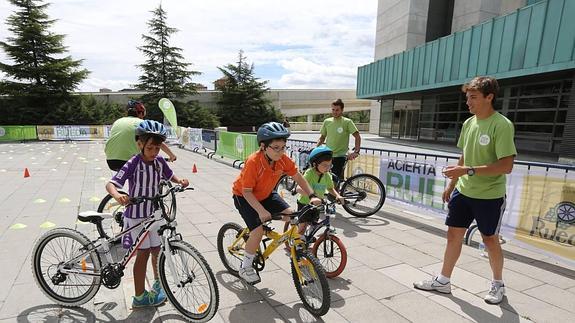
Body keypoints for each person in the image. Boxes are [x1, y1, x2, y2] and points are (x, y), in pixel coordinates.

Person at [413, 76, 516, 305]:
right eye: (467, 97)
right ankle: (443, 281)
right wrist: (452, 184)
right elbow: (464, 155)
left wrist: (466, 171)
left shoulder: (502, 125)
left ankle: (498, 284)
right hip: (463, 191)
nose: (468, 102)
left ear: (489, 97)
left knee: (490, 240)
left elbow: (506, 166)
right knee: (453, 235)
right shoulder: (469, 123)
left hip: (489, 195)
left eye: (473, 97)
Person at [106, 120, 190, 307]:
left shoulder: (159, 162)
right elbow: (111, 184)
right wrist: (117, 195)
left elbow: (170, 175)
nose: (154, 152)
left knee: (157, 252)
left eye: (157, 148)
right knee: (142, 255)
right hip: (136, 216)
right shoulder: (133, 163)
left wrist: (180, 181)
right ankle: (139, 297)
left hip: (155, 215)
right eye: (150, 148)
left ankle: (158, 284)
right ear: (139, 144)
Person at [232, 121, 321, 285]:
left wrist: (312, 195)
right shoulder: (253, 162)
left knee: (292, 216)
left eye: (283, 147)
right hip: (245, 196)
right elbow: (246, 191)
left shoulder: (283, 160)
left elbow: (299, 177)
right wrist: (261, 211)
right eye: (276, 147)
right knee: (257, 232)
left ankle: (299, 250)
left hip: (266, 194)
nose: (281, 151)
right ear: (263, 146)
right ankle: (245, 267)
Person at [105, 99, 176, 171]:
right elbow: (157, 141)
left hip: (111, 161)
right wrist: (171, 155)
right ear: (141, 113)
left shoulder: (118, 121)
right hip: (130, 161)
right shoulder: (142, 123)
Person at [296, 145, 345, 234]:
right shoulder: (309, 173)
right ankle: (297, 243)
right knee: (303, 226)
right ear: (315, 164)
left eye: (330, 165)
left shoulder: (327, 175)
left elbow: (330, 188)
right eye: (325, 165)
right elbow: (298, 189)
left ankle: (307, 239)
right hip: (304, 203)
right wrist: (312, 196)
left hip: (318, 205)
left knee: (314, 225)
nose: (328, 168)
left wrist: (338, 196)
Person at [317, 98, 361, 182]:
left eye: (337, 110)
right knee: (325, 178)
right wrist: (316, 149)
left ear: (342, 110)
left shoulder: (347, 122)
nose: (334, 112)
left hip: (340, 156)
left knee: (335, 180)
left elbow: (357, 136)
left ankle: (335, 195)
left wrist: (356, 151)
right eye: (333, 109)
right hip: (328, 155)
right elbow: (322, 138)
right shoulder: (327, 121)